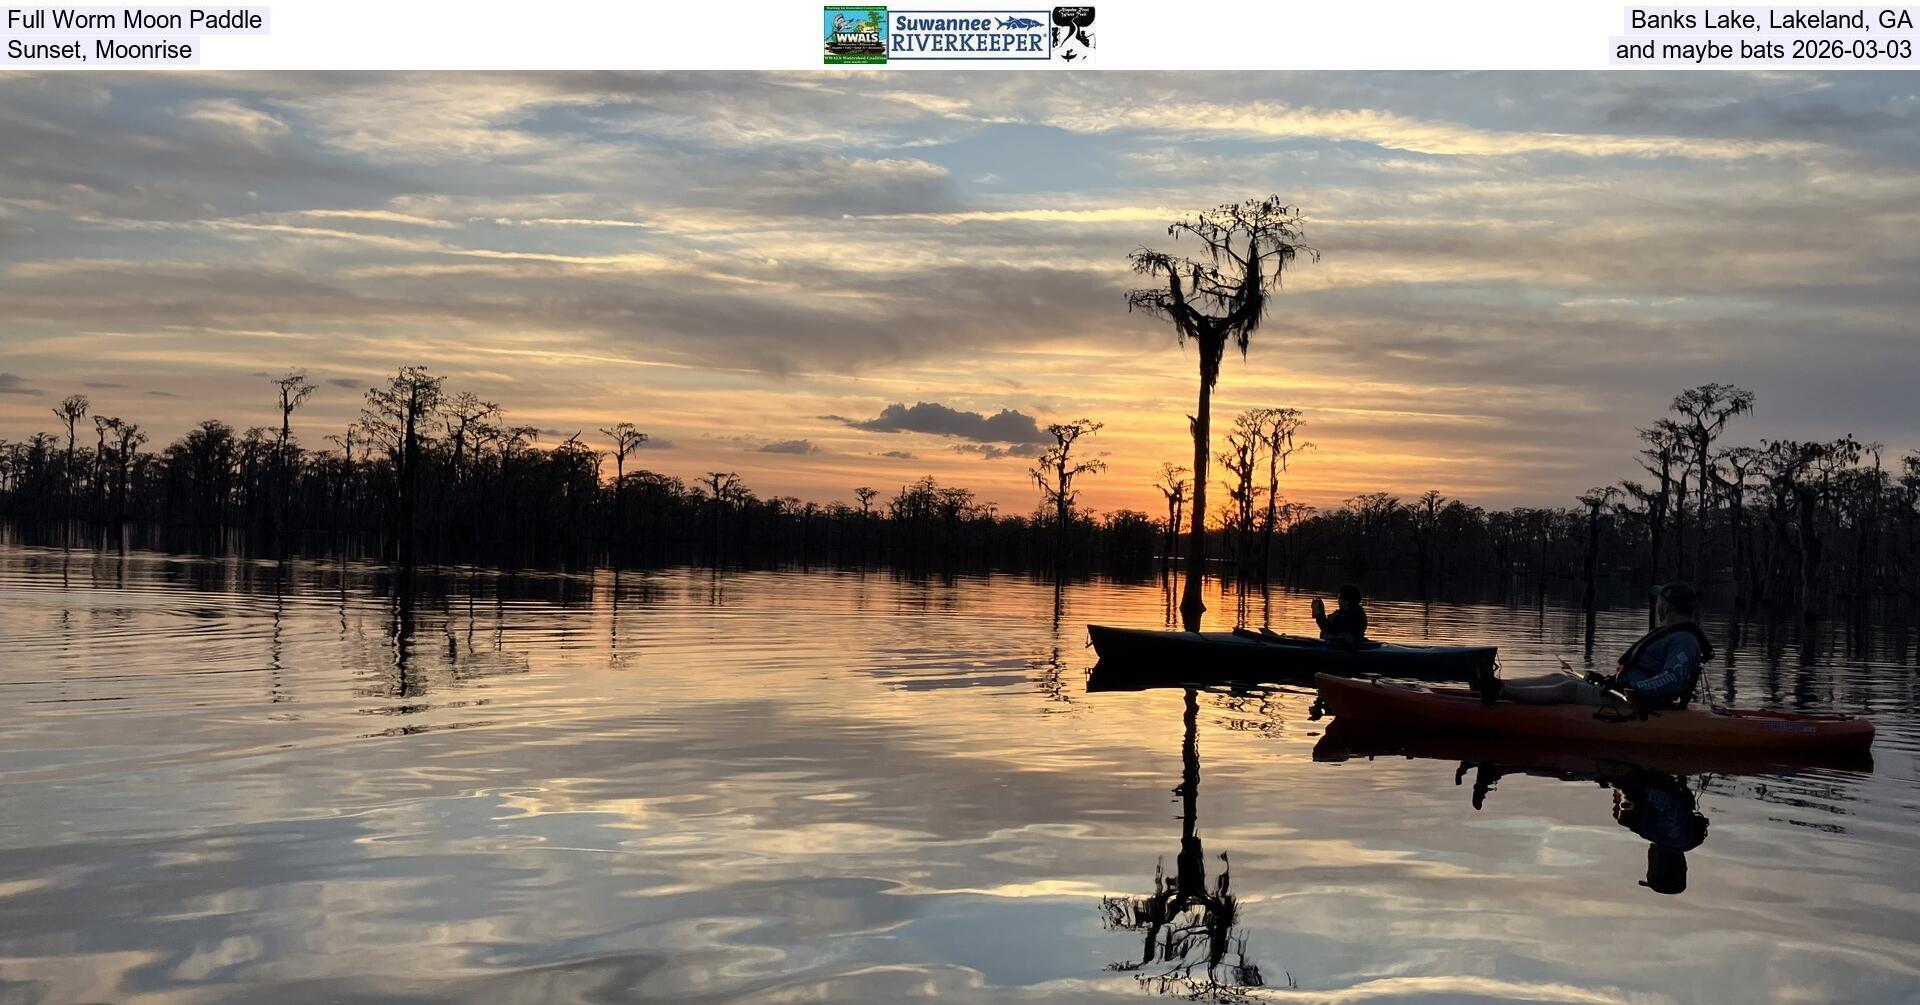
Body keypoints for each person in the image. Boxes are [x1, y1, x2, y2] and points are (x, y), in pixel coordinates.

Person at [1477, 582, 1713, 708]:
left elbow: (1671, 678)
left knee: (1570, 689)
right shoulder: (1672, 633)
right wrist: (1612, 680)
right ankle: (1498, 684)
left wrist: (1631, 688)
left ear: (1668, 606)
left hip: (1638, 702)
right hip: (1627, 691)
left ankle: (1500, 693)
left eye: (1660, 601)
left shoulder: (1684, 641)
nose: (1657, 605)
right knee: (1559, 677)